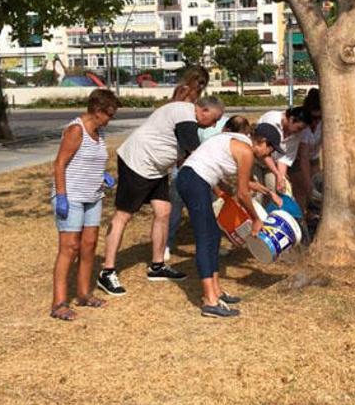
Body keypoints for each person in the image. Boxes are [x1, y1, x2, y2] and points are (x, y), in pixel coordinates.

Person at [96, 96, 224, 296]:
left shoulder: (187, 117)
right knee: (123, 215)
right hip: (137, 163)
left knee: (163, 211)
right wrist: (218, 187)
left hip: (157, 169)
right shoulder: (185, 115)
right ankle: (107, 271)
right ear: (204, 111)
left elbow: (186, 161)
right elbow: (197, 155)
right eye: (215, 119)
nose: (214, 124)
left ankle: (157, 266)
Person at [177, 123, 283, 317]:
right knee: (205, 237)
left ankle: (216, 292)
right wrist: (256, 219)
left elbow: (242, 184)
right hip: (193, 180)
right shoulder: (246, 151)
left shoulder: (240, 141)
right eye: (271, 150)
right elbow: (243, 193)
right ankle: (210, 301)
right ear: (264, 142)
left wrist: (267, 191)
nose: (269, 155)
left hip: (195, 179)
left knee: (214, 236)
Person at [50, 88, 119, 321]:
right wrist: (61, 196)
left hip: (93, 196)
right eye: (109, 114)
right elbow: (60, 164)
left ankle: (83, 293)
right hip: (72, 197)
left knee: (89, 246)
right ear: (97, 111)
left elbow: (89, 162)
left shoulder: (99, 133)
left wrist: (103, 177)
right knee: (69, 248)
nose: (110, 119)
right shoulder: (75, 130)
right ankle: (59, 303)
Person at [167, 115, 253, 252]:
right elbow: (198, 159)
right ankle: (167, 244)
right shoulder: (211, 133)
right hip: (191, 170)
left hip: (204, 176)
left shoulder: (223, 133)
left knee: (211, 214)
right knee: (176, 210)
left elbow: (215, 167)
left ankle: (213, 246)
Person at [255, 106, 312, 194]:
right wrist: (277, 174)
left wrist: (281, 178)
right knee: (257, 194)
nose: (299, 131)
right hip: (255, 160)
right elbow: (263, 151)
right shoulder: (271, 119)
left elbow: (284, 158)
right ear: (292, 119)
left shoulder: (296, 133)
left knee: (280, 190)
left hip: (273, 165)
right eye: (299, 128)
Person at [288, 89, 322, 224]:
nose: (315, 122)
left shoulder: (326, 123)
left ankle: (312, 216)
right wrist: (308, 184)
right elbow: (303, 157)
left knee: (316, 188)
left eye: (319, 118)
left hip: (313, 158)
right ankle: (300, 221)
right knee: (302, 188)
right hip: (296, 160)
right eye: (313, 118)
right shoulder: (303, 126)